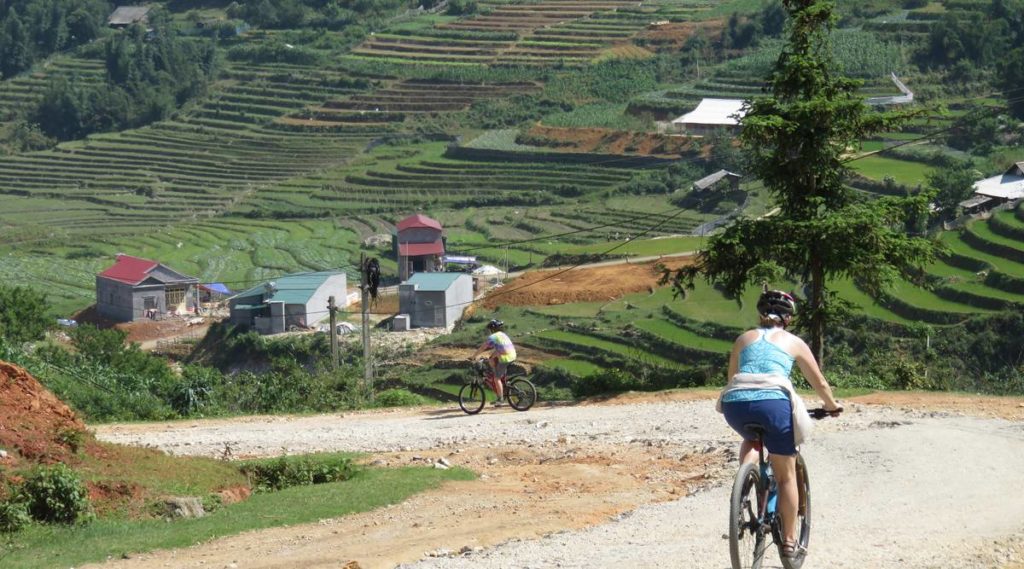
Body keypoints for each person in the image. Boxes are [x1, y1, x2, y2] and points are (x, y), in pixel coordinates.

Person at [718, 287, 842, 558]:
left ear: (761, 314)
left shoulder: (743, 339)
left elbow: (732, 378)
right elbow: (818, 382)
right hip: (773, 404)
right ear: (787, 318)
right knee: (786, 477)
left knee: (752, 438)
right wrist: (832, 406)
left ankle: (745, 483)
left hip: (735, 404)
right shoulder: (794, 342)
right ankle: (788, 542)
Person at [470, 319, 517, 405]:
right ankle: (502, 382)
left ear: (492, 329)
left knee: (496, 378)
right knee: (491, 359)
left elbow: (483, 348)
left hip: (506, 358)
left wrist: (474, 356)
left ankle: (500, 399)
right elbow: (500, 348)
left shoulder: (493, 337)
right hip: (512, 355)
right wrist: (491, 357)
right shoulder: (502, 335)